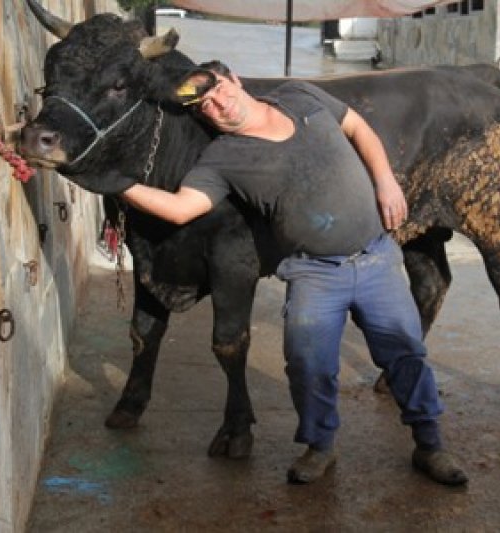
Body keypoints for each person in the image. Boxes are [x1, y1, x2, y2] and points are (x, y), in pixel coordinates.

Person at [116, 60, 468, 486]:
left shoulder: (301, 96)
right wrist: (117, 184)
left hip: (376, 257)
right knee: (308, 364)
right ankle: (320, 448)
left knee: (405, 354)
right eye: (206, 106)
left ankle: (430, 445)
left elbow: (358, 126)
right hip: (313, 273)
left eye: (220, 91)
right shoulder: (222, 159)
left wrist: (386, 181)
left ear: (236, 79)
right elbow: (180, 208)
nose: (219, 106)